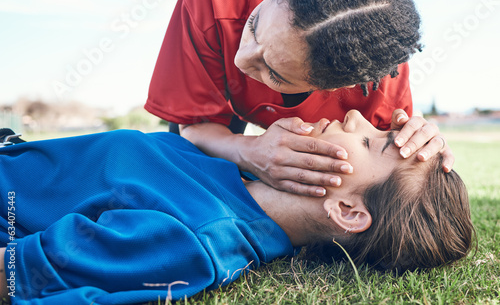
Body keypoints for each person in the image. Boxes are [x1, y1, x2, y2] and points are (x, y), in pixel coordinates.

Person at [0, 110, 473, 304]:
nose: (353, 115)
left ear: (348, 211)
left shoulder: (195, 241)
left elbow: (20, 274)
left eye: (371, 141)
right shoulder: (243, 167)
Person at [145, 0, 454, 197]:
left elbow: (395, 179)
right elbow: (194, 126)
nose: (240, 60)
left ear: (340, 87)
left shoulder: (379, 84)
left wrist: (428, 151)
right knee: (186, 171)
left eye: (274, 73)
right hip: (208, 135)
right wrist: (249, 150)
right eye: (253, 26)